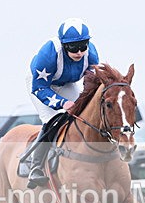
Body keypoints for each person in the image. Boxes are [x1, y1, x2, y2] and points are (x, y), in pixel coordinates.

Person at [25, 18, 99, 188]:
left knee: (81, 115)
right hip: (41, 85)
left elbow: (92, 81)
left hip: (66, 83)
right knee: (53, 119)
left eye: (83, 45)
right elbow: (39, 87)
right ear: (63, 45)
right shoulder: (48, 54)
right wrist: (61, 103)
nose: (79, 52)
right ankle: (35, 166)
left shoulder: (91, 53)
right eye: (73, 47)